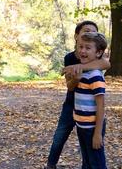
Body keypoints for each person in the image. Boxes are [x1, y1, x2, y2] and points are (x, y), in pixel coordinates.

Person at [45, 21, 110, 169]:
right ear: (77, 36)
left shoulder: (95, 66)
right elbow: (70, 86)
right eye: (87, 31)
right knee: (61, 137)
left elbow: (106, 65)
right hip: (73, 107)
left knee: (95, 158)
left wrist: (79, 67)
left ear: (97, 50)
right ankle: (50, 164)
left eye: (94, 32)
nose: (84, 49)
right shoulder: (71, 57)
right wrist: (75, 77)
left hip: (91, 118)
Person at [73, 32, 108, 168]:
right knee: (87, 161)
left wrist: (98, 134)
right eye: (80, 46)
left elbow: (101, 106)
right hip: (82, 125)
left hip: (92, 128)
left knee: (97, 163)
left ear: (98, 53)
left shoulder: (95, 76)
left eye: (88, 48)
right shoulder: (83, 72)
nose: (82, 50)